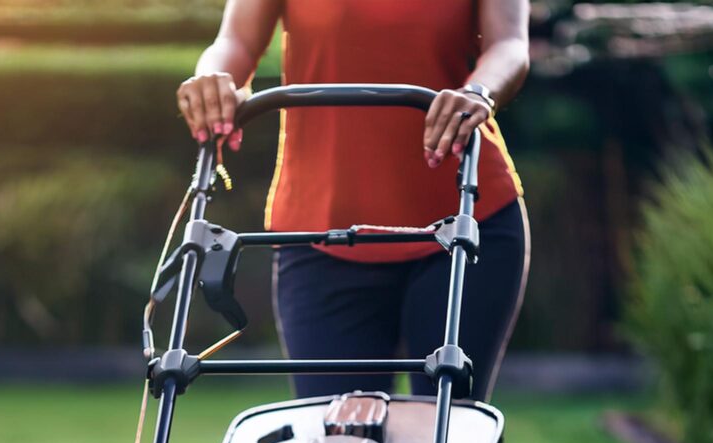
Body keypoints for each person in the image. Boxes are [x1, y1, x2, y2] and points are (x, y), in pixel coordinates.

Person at [177, 0, 531, 401]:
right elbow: (235, 41)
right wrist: (212, 81)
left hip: (464, 223)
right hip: (320, 233)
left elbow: (509, 46)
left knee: (448, 434)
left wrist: (477, 93)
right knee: (335, 442)